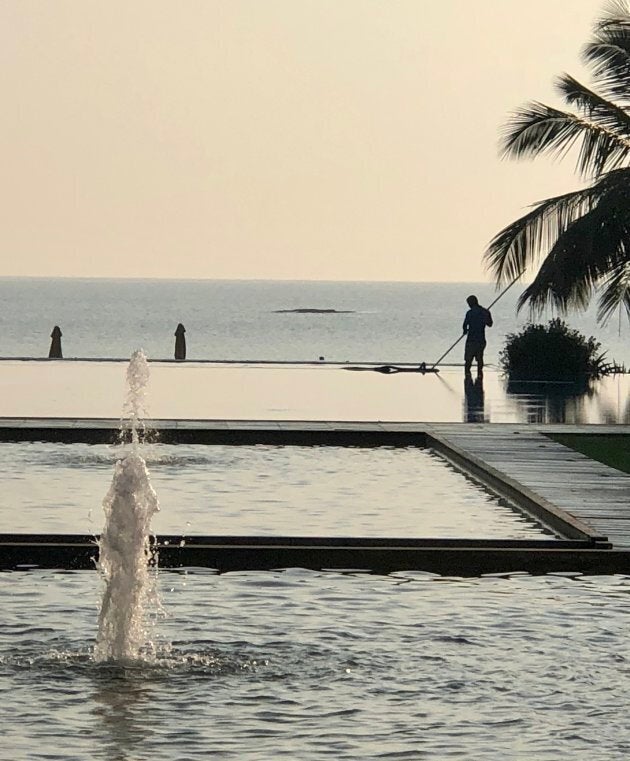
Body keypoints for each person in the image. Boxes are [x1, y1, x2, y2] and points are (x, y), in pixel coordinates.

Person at [462, 295, 492, 375]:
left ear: (472, 303)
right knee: (479, 359)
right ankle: (479, 375)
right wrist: (485, 318)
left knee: (468, 360)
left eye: (469, 303)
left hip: (471, 340)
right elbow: (490, 324)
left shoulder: (470, 313)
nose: (468, 305)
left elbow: (465, 325)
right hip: (481, 340)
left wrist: (465, 331)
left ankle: (468, 376)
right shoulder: (485, 312)